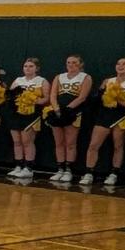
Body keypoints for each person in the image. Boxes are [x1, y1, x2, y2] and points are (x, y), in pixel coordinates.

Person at [81, 56, 125, 188]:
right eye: (118, 63)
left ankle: (114, 174)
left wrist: (117, 99)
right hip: (104, 115)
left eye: (124, 64)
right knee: (93, 145)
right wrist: (101, 95)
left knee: (118, 146)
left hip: (122, 116)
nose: (120, 66)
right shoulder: (108, 81)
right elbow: (97, 100)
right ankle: (89, 173)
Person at [46, 54, 92, 185]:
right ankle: (60, 169)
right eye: (68, 62)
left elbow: (82, 97)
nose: (71, 65)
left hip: (73, 112)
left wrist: (68, 109)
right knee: (59, 142)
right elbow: (53, 95)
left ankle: (68, 170)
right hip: (58, 112)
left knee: (70, 142)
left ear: (80, 64)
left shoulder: (85, 77)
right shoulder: (59, 77)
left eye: (74, 62)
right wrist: (56, 110)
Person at [5, 57, 49, 180]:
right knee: (17, 141)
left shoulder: (42, 81)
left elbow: (47, 98)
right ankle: (18, 166)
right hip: (17, 113)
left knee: (27, 141)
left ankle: (28, 167)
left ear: (37, 68)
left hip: (32, 114)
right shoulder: (18, 80)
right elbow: (10, 95)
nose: (28, 68)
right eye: (25, 66)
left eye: (31, 66)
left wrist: (33, 100)